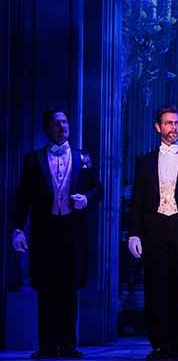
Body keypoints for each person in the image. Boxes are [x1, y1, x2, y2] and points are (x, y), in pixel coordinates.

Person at [12, 108, 102, 359]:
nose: (61, 126)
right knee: (46, 288)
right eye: (55, 123)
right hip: (45, 231)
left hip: (73, 232)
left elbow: (98, 189)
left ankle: (68, 344)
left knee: (70, 288)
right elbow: (23, 198)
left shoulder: (83, 156)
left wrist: (86, 198)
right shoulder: (33, 159)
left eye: (64, 122)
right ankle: (47, 346)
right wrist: (18, 229)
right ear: (47, 129)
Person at [127, 106, 178, 360]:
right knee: (156, 286)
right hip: (154, 228)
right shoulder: (144, 162)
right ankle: (159, 345)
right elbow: (137, 202)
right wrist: (134, 234)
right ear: (158, 127)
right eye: (168, 123)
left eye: (176, 123)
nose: (173, 127)